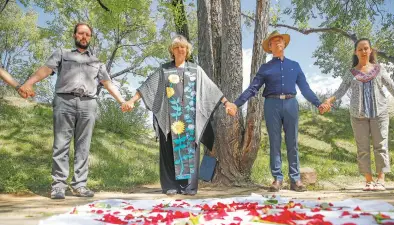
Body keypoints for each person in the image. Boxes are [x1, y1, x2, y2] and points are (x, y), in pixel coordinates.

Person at [19, 23, 127, 199]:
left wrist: (122, 101)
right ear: (75, 35)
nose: (84, 37)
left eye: (87, 34)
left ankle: (79, 185)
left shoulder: (97, 62)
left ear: (90, 38)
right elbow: (46, 69)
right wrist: (29, 82)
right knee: (61, 143)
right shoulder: (63, 53)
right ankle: (58, 186)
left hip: (88, 103)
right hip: (64, 101)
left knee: (83, 146)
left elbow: (107, 83)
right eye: (81, 33)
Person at [122, 35, 237, 196]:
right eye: (176, 47)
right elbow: (147, 86)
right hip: (170, 118)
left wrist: (227, 103)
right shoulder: (164, 70)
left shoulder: (195, 70)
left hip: (190, 120)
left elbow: (212, 89)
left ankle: (188, 187)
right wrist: (132, 101)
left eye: (183, 47)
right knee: (169, 151)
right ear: (172, 51)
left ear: (187, 50)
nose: (180, 49)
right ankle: (170, 186)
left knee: (190, 150)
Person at [230, 30, 327, 192]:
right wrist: (236, 104)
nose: (277, 42)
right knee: (275, 142)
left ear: (284, 44)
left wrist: (318, 104)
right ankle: (277, 178)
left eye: (280, 40)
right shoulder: (265, 68)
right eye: (273, 41)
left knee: (292, 142)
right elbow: (253, 89)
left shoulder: (294, 66)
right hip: (272, 104)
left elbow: (305, 89)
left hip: (291, 103)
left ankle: (295, 179)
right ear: (270, 47)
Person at [320, 38, 394, 191]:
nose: (363, 51)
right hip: (358, 115)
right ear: (355, 52)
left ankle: (381, 179)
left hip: (380, 113)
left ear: (370, 50)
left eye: (366, 48)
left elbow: (392, 87)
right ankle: (368, 180)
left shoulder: (379, 69)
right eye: (360, 49)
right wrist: (328, 101)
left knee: (381, 146)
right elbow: (341, 90)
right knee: (362, 148)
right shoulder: (351, 72)